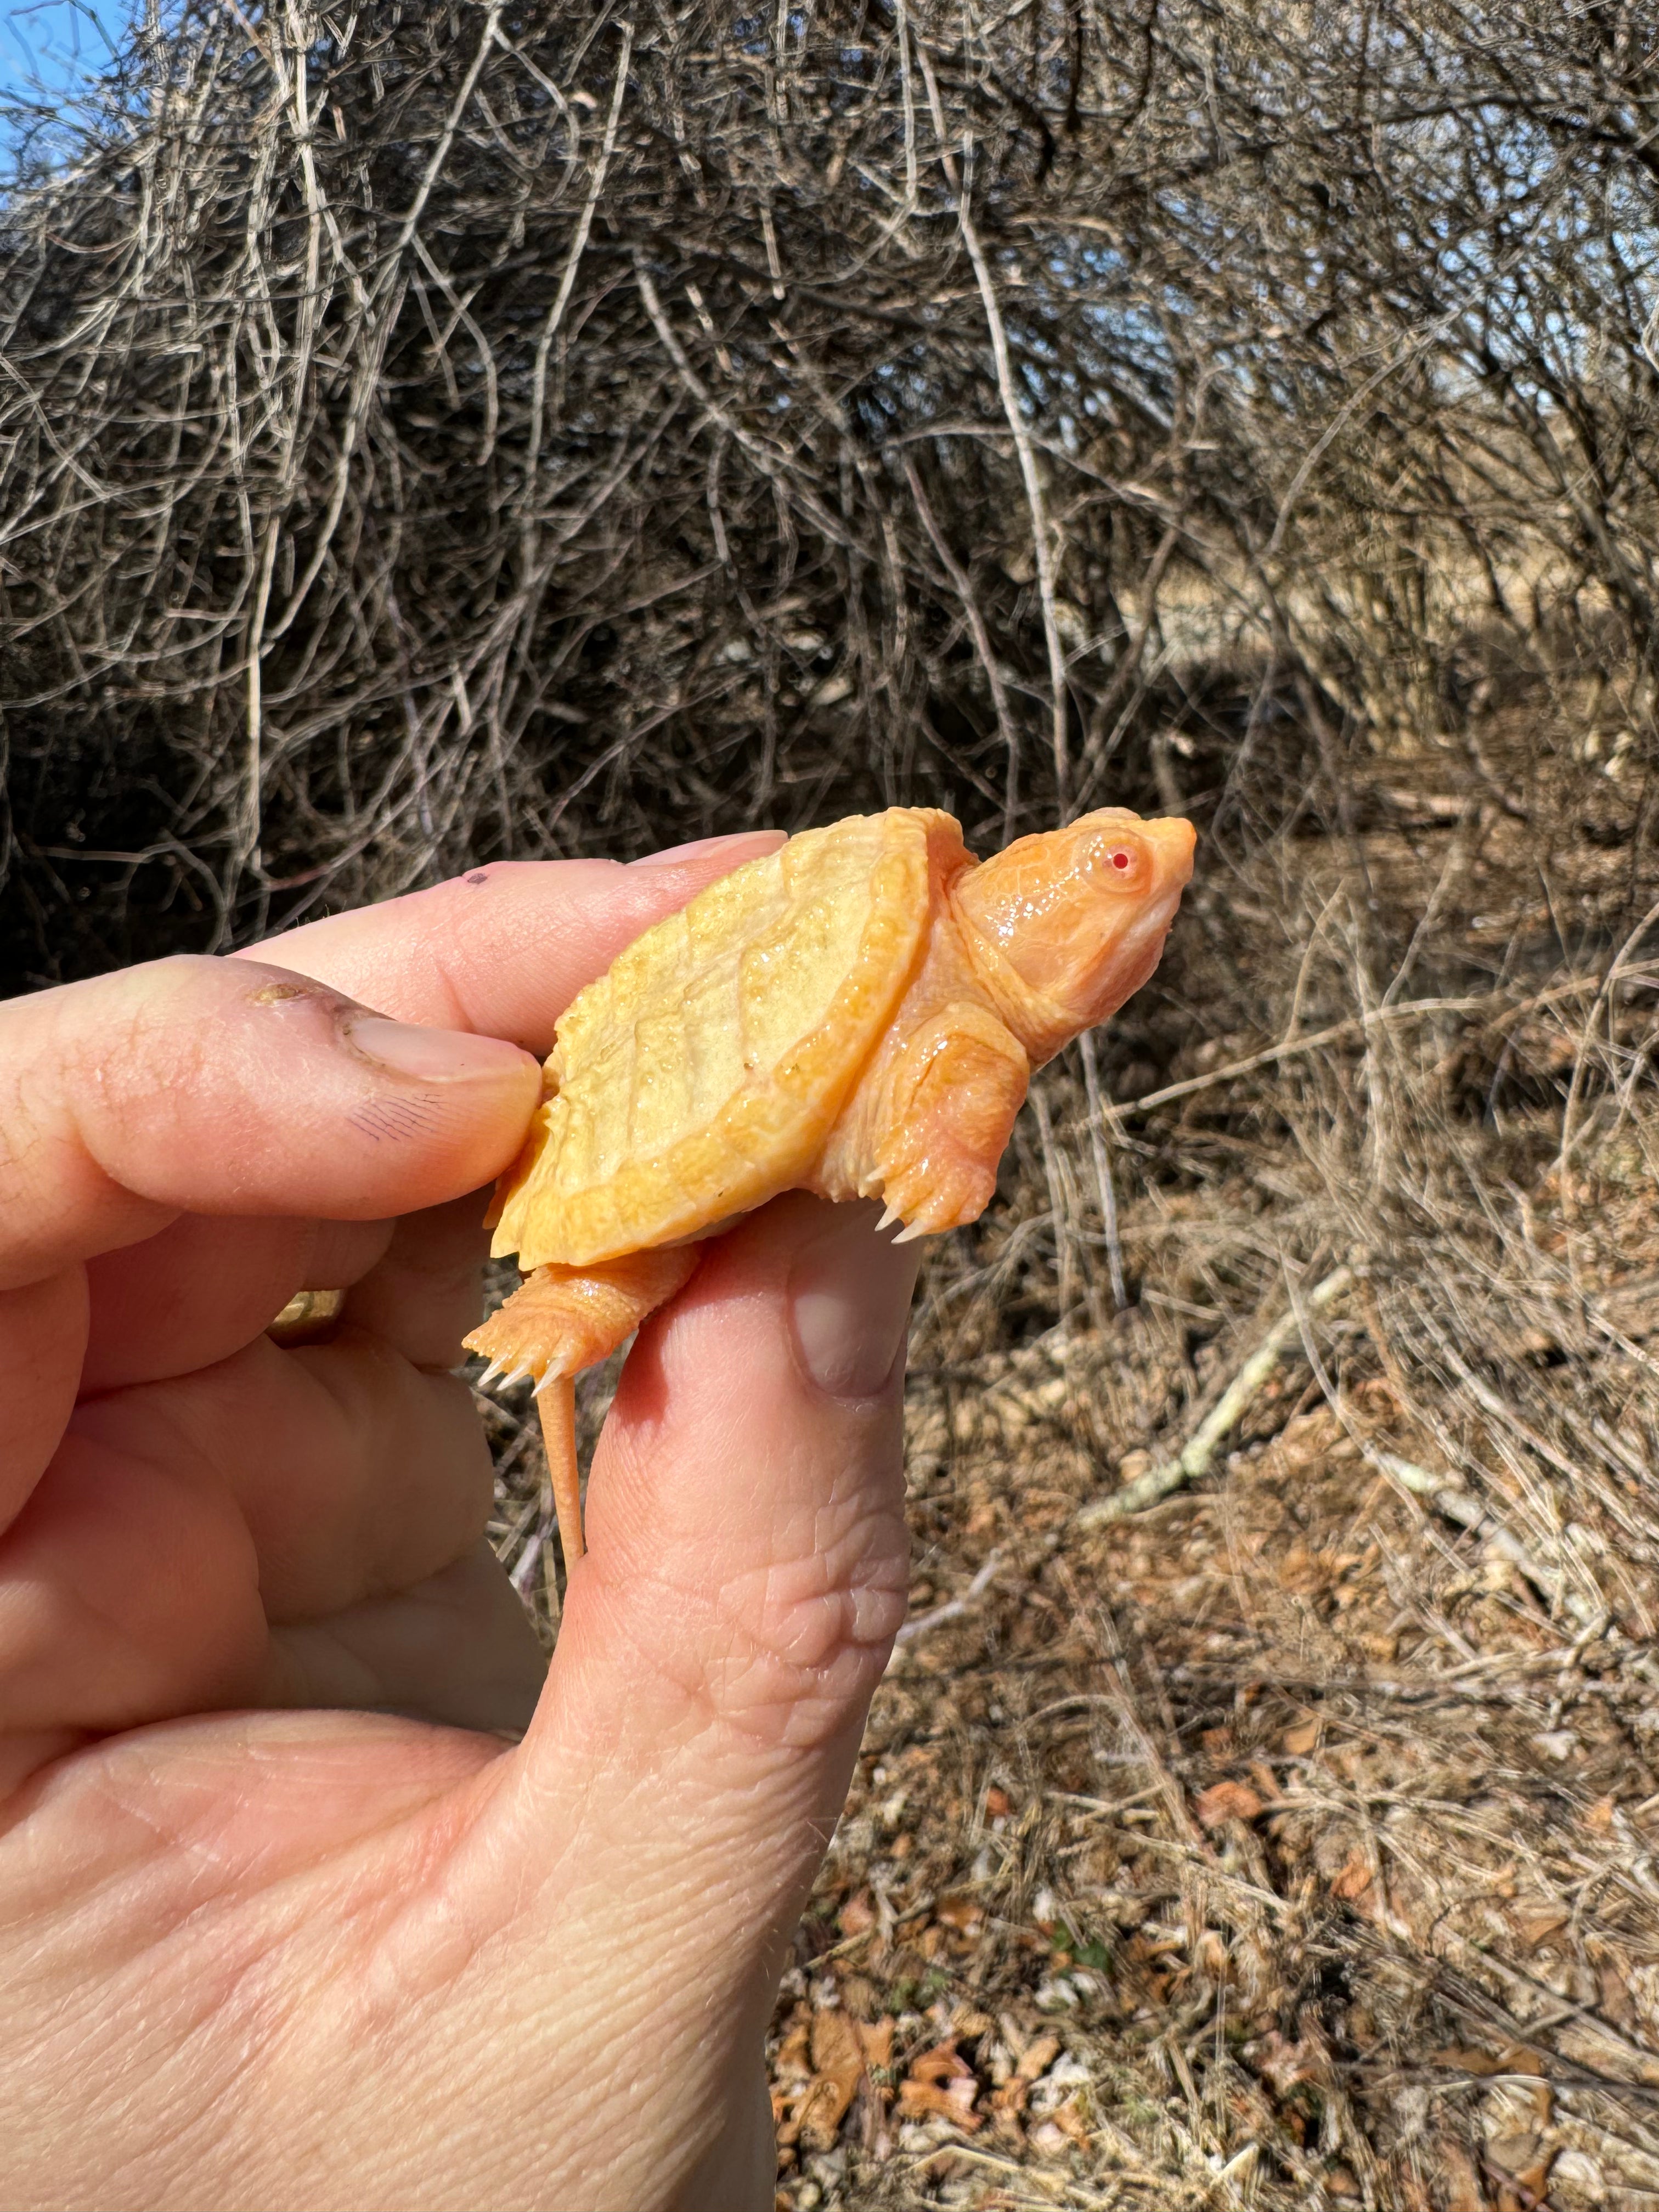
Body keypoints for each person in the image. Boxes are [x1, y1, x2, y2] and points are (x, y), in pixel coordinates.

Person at [0, 832, 922, 2211]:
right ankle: (558, 1314)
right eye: (1106, 864)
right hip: (668, 1142)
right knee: (609, 1271)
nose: (1157, 857)